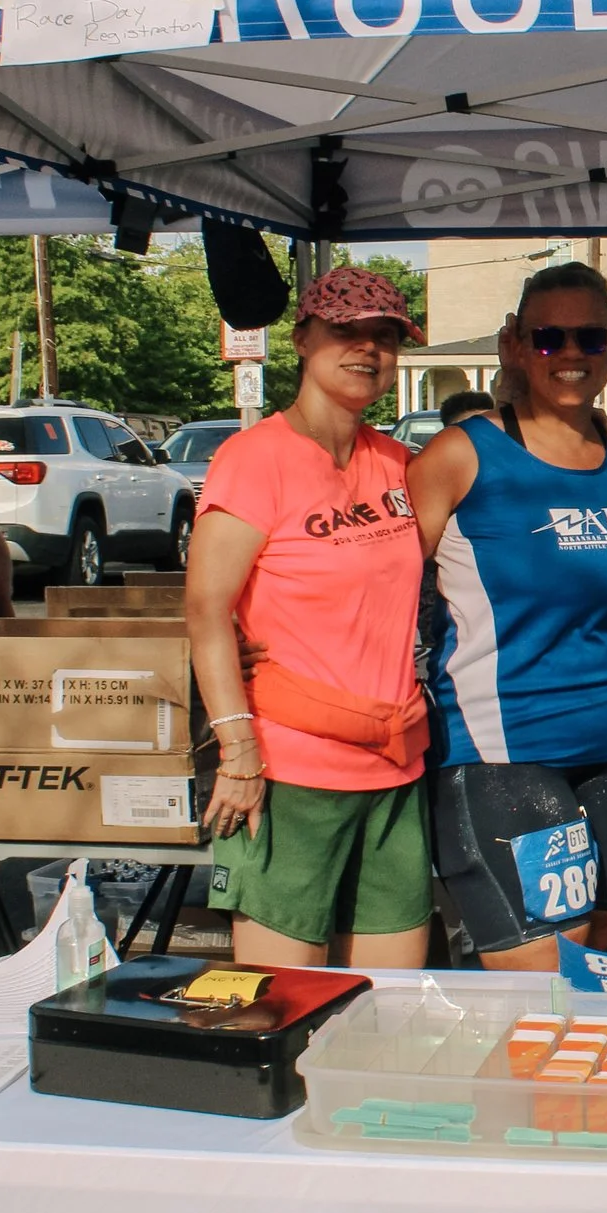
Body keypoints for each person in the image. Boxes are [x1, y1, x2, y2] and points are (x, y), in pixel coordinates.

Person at [410, 261, 607, 971]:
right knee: (546, 968)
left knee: (599, 940)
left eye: (589, 337)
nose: (571, 355)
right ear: (515, 345)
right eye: (549, 338)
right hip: (505, 746)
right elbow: (387, 583)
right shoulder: (462, 455)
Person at [187, 267, 433, 968]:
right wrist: (237, 755)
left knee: (388, 1012)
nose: (367, 349)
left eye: (385, 336)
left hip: (393, 769)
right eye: (346, 331)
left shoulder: (397, 463)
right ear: (301, 339)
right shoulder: (253, 459)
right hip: (289, 772)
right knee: (282, 1006)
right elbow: (206, 612)